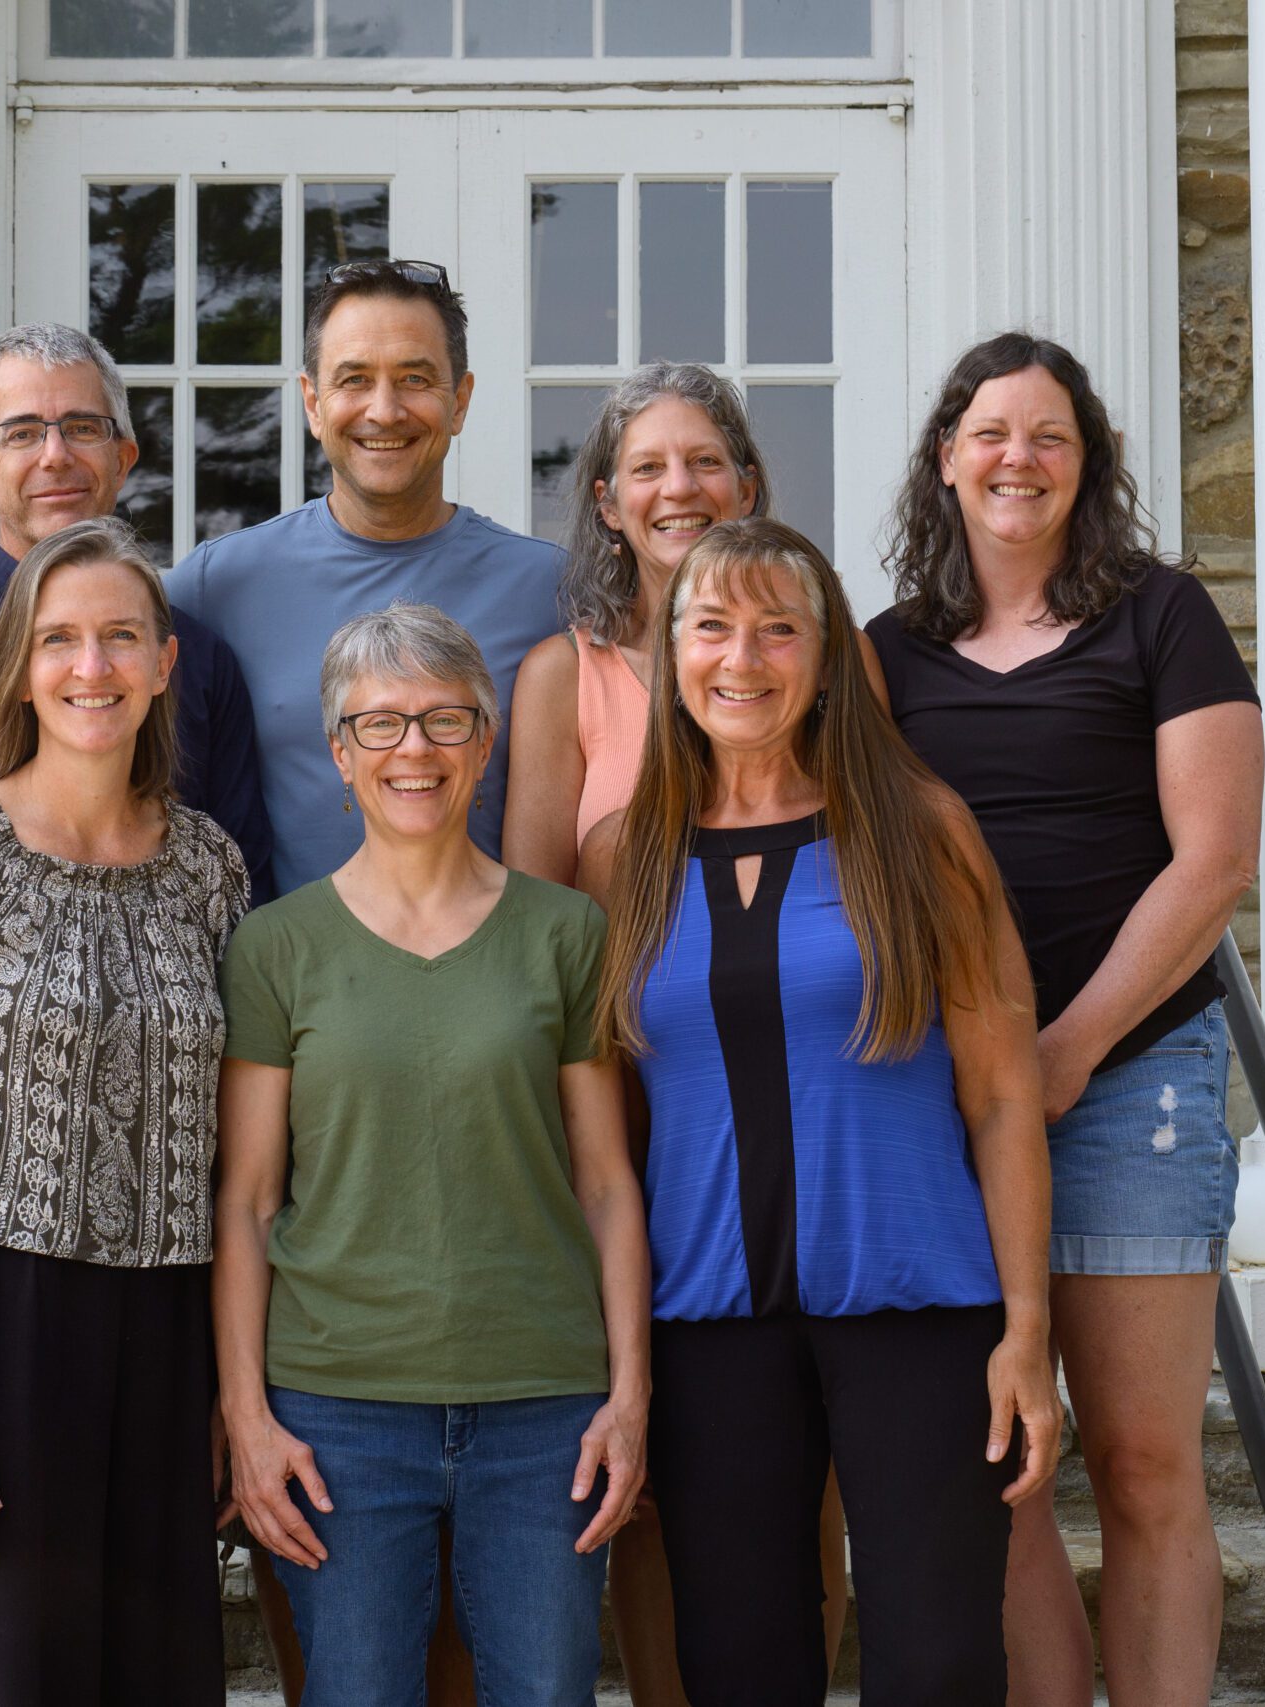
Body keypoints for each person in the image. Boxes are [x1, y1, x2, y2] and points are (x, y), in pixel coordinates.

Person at [583, 519, 1059, 1705]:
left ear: (826, 657)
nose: (741, 657)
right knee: (738, 1664)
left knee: (939, 1660)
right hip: (706, 1322)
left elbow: (1003, 1094)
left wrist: (1026, 1328)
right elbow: (614, 1129)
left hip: (922, 1305)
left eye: (776, 628)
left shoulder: (918, 831)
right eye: (710, 627)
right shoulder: (617, 857)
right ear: (670, 655)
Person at [865, 333, 1263, 1707]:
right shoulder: (886, 652)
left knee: (1146, 1462)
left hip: (1133, 1074)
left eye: (1048, 434)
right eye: (989, 432)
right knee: (1005, 1468)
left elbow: (1212, 858)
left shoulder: (1162, 616)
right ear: (945, 459)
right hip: (953, 1100)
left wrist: (1071, 1045)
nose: (1016, 457)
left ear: (1086, 462)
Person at [215, 603, 650, 1707]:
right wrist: (246, 1418)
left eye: (445, 721)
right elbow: (251, 1201)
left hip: (543, 1402)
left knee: (547, 1695)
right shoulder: (275, 946)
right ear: (340, 754)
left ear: (487, 740)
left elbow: (605, 1184)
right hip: (335, 1411)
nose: (414, 750)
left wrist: (630, 1394)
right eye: (381, 724)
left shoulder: (564, 934)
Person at [501, 364, 847, 1702]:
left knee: (793, 1450)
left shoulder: (824, 655)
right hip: (637, 1114)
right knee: (647, 1459)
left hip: (795, 1098)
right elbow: (539, 917)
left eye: (706, 463)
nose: (679, 490)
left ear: (749, 488)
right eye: (647, 467)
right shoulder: (559, 677)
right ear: (605, 500)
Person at [0, 517, 249, 1705]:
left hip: (167, 1326)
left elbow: (238, 1153)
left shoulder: (209, 868)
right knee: (1, 1676)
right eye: (63, 640)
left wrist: (236, 1389)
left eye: (121, 638)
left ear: (164, 661)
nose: (94, 669)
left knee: (156, 1673)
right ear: (22, 666)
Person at [169, 259, 562, 896]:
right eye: (355, 380)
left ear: (459, 401)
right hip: (290, 985)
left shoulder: (550, 589)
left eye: (415, 378)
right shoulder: (219, 585)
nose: (385, 410)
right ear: (312, 402)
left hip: (490, 977)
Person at [0, 323, 272, 894]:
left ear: (123, 459)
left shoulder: (199, 660)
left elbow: (244, 901)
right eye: (22, 433)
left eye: (82, 428)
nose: (56, 456)